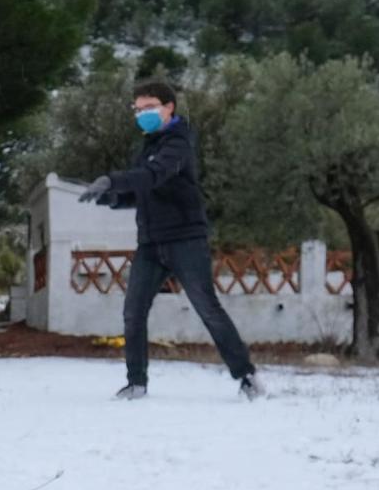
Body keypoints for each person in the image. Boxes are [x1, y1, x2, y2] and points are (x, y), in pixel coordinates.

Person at [79, 80, 264, 402]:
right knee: (133, 311)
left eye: (148, 107)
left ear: (169, 107)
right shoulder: (147, 147)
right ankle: (136, 383)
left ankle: (247, 376)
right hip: (150, 243)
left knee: (207, 307)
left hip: (185, 239)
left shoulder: (179, 145)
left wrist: (111, 180)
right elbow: (145, 192)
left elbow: (154, 175)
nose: (142, 114)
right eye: (137, 110)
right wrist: (112, 198)